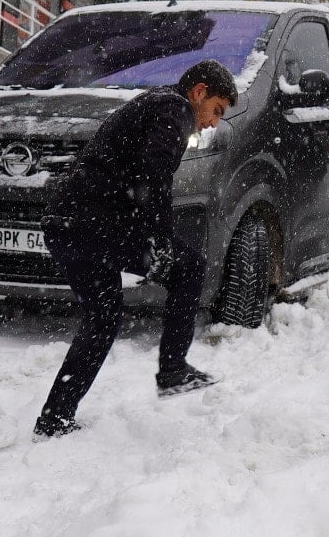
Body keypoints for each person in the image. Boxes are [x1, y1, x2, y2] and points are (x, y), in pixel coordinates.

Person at [34, 59, 237, 438]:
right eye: (216, 110)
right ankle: (173, 368)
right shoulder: (174, 109)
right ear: (198, 93)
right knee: (189, 266)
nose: (212, 122)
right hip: (93, 224)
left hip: (68, 224)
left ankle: (55, 418)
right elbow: (153, 176)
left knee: (102, 318)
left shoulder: (156, 103)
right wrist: (159, 241)